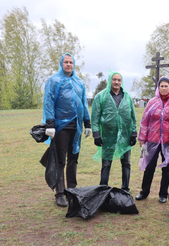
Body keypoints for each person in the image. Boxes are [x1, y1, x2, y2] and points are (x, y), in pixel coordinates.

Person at [42, 53, 91, 207]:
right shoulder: (54, 80)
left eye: (71, 62)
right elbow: (48, 101)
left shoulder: (79, 83)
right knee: (60, 160)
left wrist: (87, 123)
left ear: (74, 64)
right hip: (61, 126)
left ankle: (72, 190)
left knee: (73, 159)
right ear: (61, 64)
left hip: (76, 127)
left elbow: (83, 103)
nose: (69, 65)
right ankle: (60, 193)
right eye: (66, 62)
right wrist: (50, 123)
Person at [136, 77, 169, 203]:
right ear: (158, 88)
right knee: (149, 167)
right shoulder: (152, 102)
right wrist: (142, 138)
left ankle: (163, 194)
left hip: (168, 141)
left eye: (166, 86)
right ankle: (144, 192)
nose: (163, 88)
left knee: (166, 168)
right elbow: (145, 121)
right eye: (161, 86)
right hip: (152, 140)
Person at [91, 70, 137, 191]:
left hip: (125, 135)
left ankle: (125, 188)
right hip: (107, 135)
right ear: (110, 80)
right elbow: (95, 117)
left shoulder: (127, 97)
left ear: (121, 82)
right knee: (106, 164)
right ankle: (103, 189)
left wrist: (133, 133)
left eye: (119, 80)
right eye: (114, 79)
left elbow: (133, 116)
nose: (116, 82)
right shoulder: (101, 97)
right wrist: (96, 134)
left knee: (126, 163)